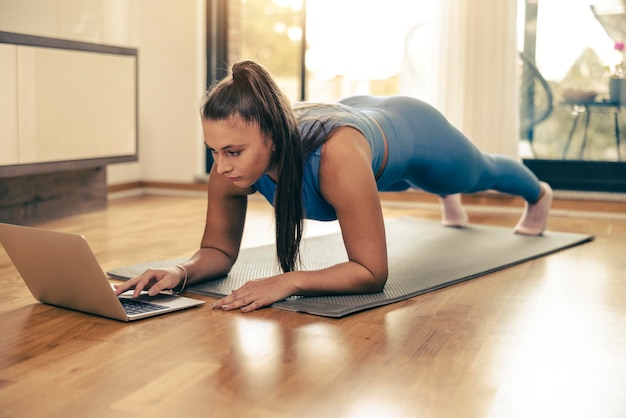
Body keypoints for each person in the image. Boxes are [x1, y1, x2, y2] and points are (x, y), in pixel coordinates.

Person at [115, 60, 553, 312]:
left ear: (271, 135)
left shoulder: (335, 158)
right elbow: (219, 252)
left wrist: (289, 282)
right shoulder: (231, 166)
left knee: (477, 173)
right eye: (213, 151)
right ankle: (443, 193)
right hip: (359, 126)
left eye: (233, 151)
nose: (222, 166)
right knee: (398, 183)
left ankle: (538, 193)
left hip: (412, 129)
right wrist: (181, 271)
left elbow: (371, 272)